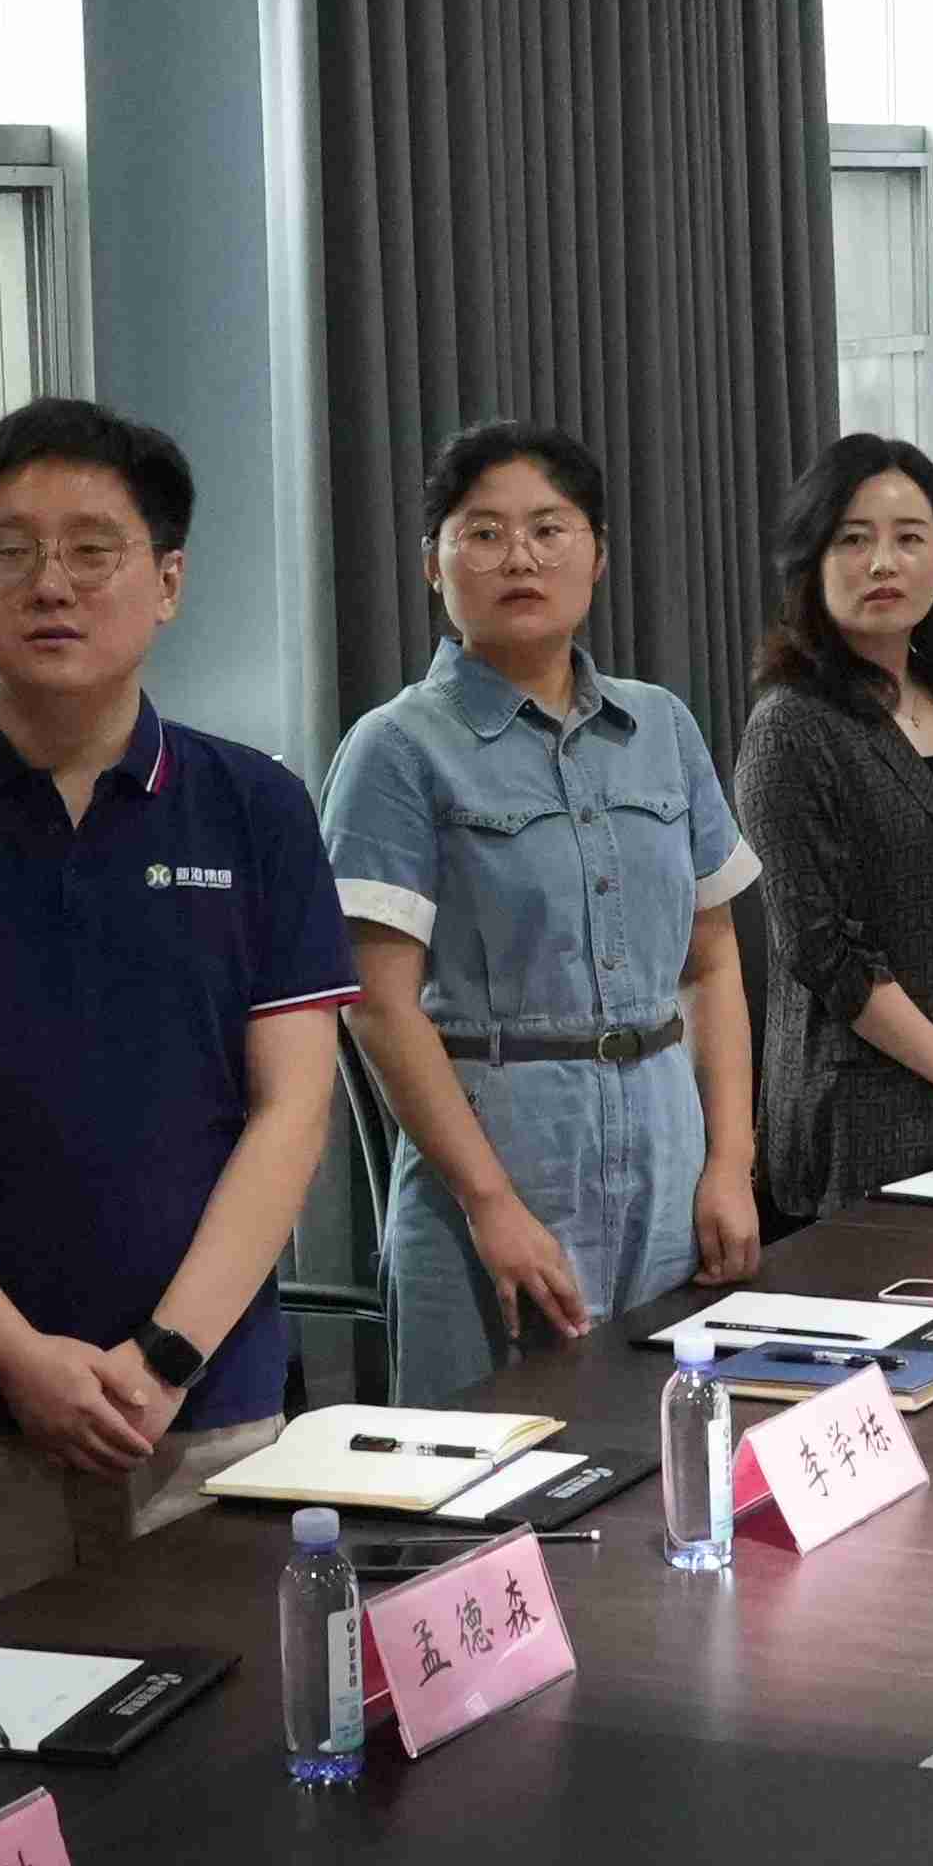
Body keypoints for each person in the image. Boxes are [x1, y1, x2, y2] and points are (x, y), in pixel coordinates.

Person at [0, 399, 354, 1625]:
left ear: (168, 581)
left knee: (227, 1730)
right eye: (11, 550)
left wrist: (167, 1357)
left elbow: (292, 1109)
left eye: (94, 549)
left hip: (205, 1413)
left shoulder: (256, 807)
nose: (51, 583)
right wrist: (13, 1358)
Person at [324, 425, 760, 1396]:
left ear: (597, 555)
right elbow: (377, 1005)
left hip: (667, 1158)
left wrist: (730, 1162)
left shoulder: (662, 725)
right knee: (489, 1463)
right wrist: (491, 1205)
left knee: (663, 1444)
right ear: (433, 565)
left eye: (549, 529)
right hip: (501, 1166)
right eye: (482, 533)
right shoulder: (395, 748)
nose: (519, 557)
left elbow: (712, 963)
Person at [726, 434, 933, 1229]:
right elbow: (822, 949)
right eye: (853, 539)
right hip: (859, 1121)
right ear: (812, 561)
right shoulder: (791, 727)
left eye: (909, 538)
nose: (883, 563)